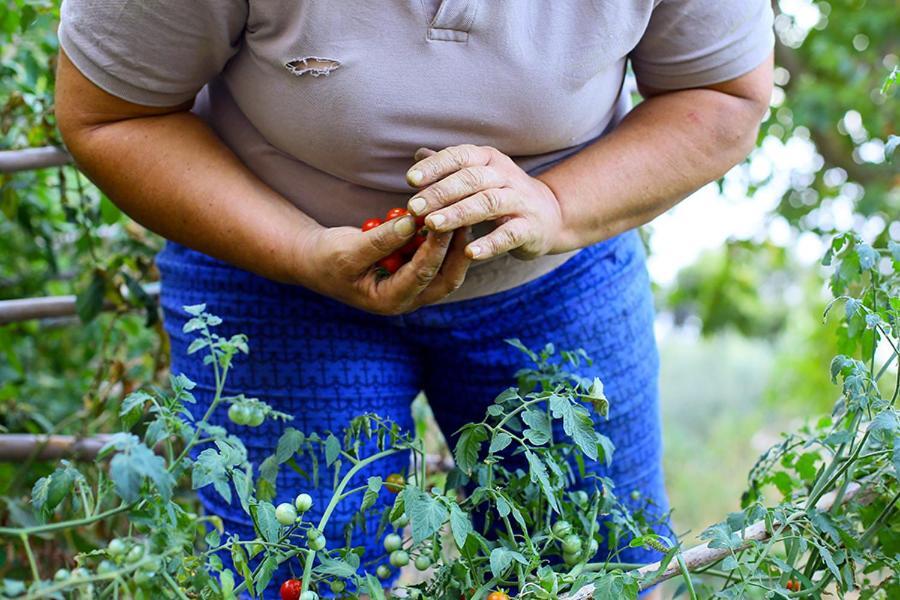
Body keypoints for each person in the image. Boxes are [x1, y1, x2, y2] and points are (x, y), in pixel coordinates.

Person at [55, 1, 774, 597]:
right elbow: (113, 115)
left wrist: (555, 206)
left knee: (593, 570)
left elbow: (722, 94)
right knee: (297, 573)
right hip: (270, 281)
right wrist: (299, 251)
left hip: (558, 277)